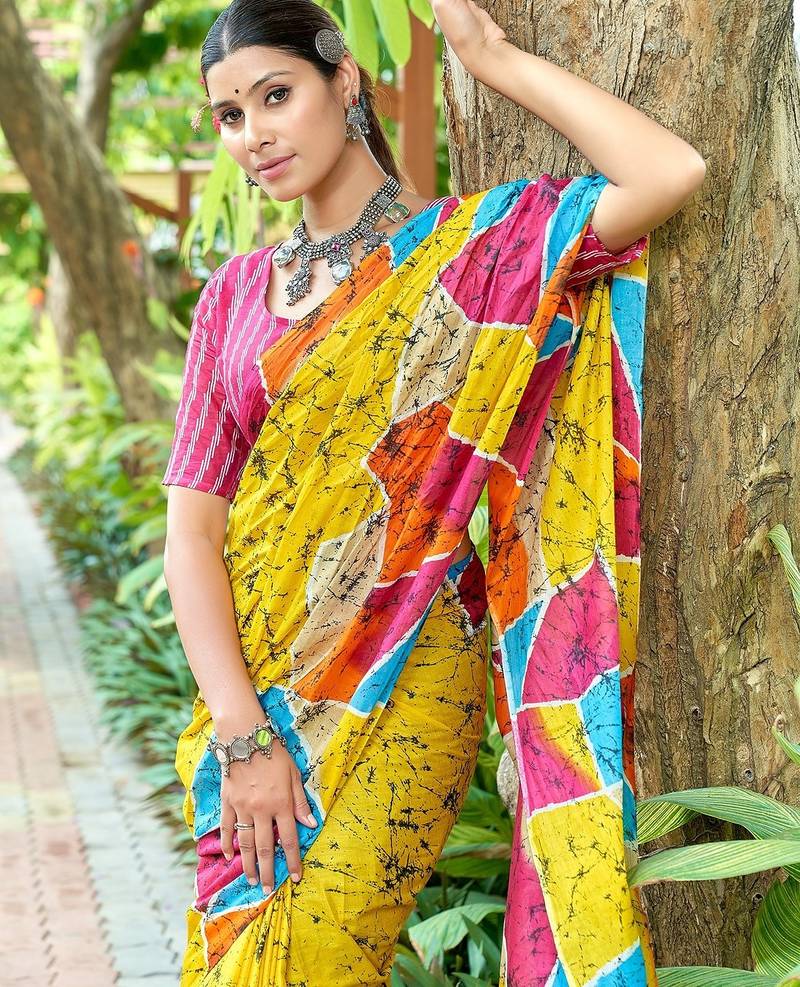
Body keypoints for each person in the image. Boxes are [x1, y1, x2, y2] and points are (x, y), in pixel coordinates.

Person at [162, 1, 706, 984]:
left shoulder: (473, 254)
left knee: (313, 958)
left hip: (403, 671)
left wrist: (489, 57)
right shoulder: (232, 297)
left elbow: (666, 174)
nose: (254, 135)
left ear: (344, 81)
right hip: (251, 687)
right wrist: (242, 738)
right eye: (230, 116)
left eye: (275, 96)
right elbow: (191, 536)